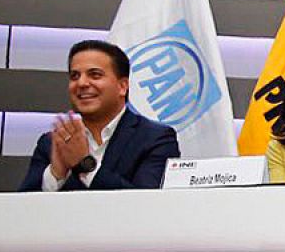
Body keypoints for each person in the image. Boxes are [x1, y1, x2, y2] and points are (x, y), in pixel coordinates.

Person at [19, 39, 179, 191]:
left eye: (95, 75)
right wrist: (56, 174)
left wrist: (85, 165)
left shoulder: (155, 139)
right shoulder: (52, 142)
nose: (81, 83)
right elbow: (21, 205)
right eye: (75, 76)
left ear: (122, 86)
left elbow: (146, 203)